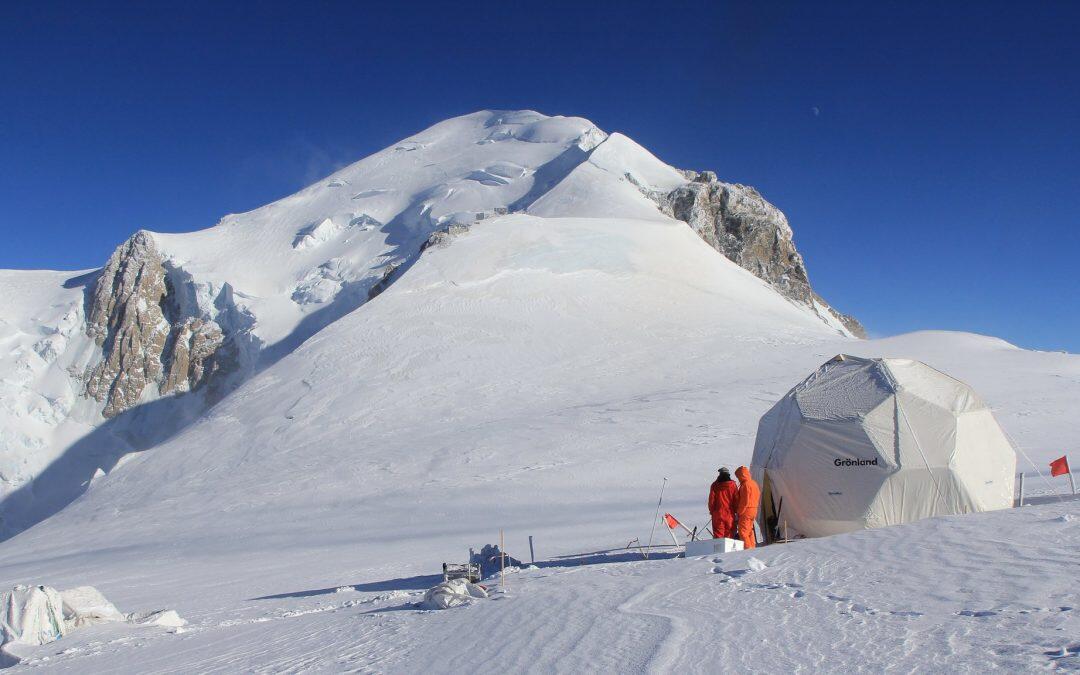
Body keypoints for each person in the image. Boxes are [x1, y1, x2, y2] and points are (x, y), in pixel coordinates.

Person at [733, 466, 761, 549]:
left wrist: (739, 512)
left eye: (738, 476)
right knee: (749, 531)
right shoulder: (754, 483)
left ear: (741, 475)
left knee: (743, 532)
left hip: (746, 511)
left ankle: (748, 549)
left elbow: (744, 501)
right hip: (754, 509)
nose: (738, 479)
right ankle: (752, 547)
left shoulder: (745, 485)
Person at [707, 467, 738, 539]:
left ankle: (719, 549)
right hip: (730, 513)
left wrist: (712, 511)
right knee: (730, 533)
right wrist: (736, 510)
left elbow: (711, 500)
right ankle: (730, 550)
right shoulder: (733, 485)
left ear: (720, 474)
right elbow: (736, 499)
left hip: (718, 513)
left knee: (718, 534)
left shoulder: (714, 485)